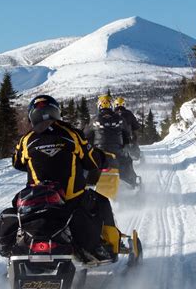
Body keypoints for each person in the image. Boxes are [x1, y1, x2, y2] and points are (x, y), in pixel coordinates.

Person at [11, 94, 122, 262]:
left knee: (16, 207)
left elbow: (17, 163)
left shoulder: (26, 140)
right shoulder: (71, 134)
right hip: (71, 199)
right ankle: (102, 247)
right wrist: (103, 159)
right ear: (56, 112)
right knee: (101, 202)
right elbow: (91, 161)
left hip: (37, 200)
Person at [85, 95, 138, 187]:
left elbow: (85, 135)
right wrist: (125, 143)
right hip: (117, 151)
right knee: (127, 160)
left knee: (86, 162)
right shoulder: (120, 119)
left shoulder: (94, 119)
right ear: (111, 105)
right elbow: (127, 134)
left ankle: (86, 183)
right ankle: (131, 182)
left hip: (98, 152)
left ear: (99, 106)